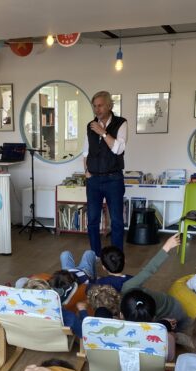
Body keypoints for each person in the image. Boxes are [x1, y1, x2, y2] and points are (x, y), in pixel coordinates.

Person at [119, 233, 192, 334]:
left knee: (185, 327)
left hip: (173, 309)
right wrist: (167, 246)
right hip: (165, 312)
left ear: (121, 315)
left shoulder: (128, 287)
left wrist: (167, 247)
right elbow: (147, 270)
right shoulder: (128, 287)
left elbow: (148, 270)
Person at [83, 91, 127, 255]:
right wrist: (86, 171)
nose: (97, 109)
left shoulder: (121, 123)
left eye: (100, 105)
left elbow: (118, 149)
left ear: (109, 105)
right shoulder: (90, 126)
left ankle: (116, 258)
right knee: (92, 221)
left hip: (113, 179)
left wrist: (102, 132)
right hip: (93, 180)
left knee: (116, 221)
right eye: (94, 106)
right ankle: (95, 255)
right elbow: (85, 152)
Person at [120, 289, 176, 361]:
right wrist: (170, 335)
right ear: (154, 318)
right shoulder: (167, 338)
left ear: (121, 315)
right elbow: (170, 358)